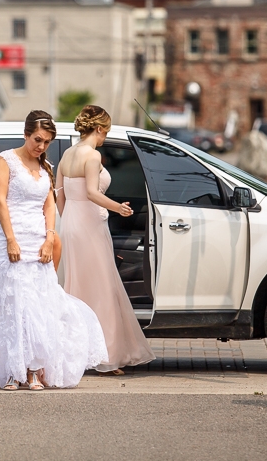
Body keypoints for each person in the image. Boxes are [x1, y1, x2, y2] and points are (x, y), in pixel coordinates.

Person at [0, 110, 108, 391]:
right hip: (12, 240)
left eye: (47, 142)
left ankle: (34, 369)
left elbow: (49, 204)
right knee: (15, 305)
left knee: (39, 305)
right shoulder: (6, 161)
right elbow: (1, 202)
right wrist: (11, 240)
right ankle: (14, 371)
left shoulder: (46, 167)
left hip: (39, 240)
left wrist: (50, 237)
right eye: (37, 140)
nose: (41, 146)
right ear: (26, 134)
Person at [57, 105, 155, 375]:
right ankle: (106, 356)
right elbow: (91, 192)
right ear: (99, 129)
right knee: (101, 287)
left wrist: (67, 221)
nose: (105, 138)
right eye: (105, 132)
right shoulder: (93, 155)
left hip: (71, 224)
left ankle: (75, 353)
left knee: (75, 287)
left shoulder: (66, 154)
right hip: (89, 225)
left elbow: (59, 195)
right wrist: (117, 208)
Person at [0, 216, 61, 304]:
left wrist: (48, 282)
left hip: (32, 285)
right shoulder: (7, 218)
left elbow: (55, 247)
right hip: (4, 281)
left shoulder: (42, 228)